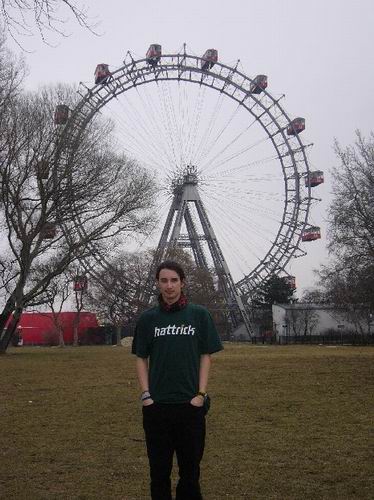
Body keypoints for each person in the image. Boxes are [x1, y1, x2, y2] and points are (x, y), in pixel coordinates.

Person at [132, 260, 223, 500]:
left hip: (190, 406)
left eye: (174, 280)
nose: (169, 286)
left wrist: (201, 394)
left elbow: (206, 355)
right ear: (158, 284)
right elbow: (140, 357)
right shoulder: (148, 319)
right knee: (158, 474)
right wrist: (146, 395)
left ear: (183, 283)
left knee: (190, 474)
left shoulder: (199, 315)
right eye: (164, 281)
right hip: (157, 407)